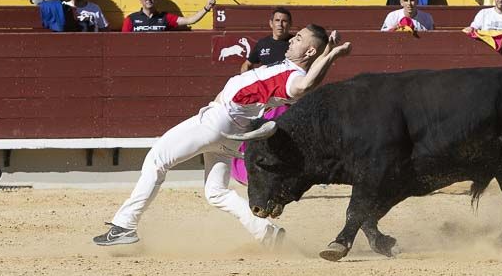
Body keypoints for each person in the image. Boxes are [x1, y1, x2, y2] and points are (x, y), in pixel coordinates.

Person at [93, 24, 351, 247]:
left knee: (157, 159)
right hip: (232, 131)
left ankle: (124, 225)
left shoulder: (294, 77)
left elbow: (305, 85)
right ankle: (266, 233)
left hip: (218, 121)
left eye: (299, 38)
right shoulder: (294, 69)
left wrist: (334, 55)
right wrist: (328, 51)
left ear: (308, 51)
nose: (292, 38)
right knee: (216, 191)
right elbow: (310, 73)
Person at [121, 0, 216, 31]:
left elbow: (190, 20)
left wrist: (206, 8)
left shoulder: (165, 17)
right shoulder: (131, 19)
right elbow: (123, 42)